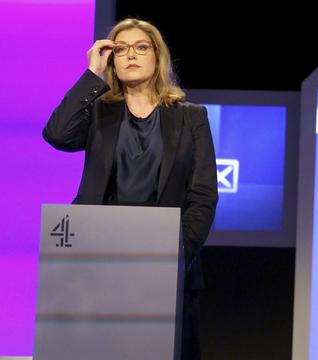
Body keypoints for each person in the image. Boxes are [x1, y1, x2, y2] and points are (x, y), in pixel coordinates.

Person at [43, 18, 218, 360]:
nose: (130, 55)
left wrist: (177, 254)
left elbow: (203, 194)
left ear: (157, 58)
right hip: (96, 265)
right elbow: (57, 135)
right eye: (120, 49)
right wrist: (93, 74)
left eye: (141, 47)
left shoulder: (191, 116)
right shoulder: (98, 111)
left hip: (165, 265)